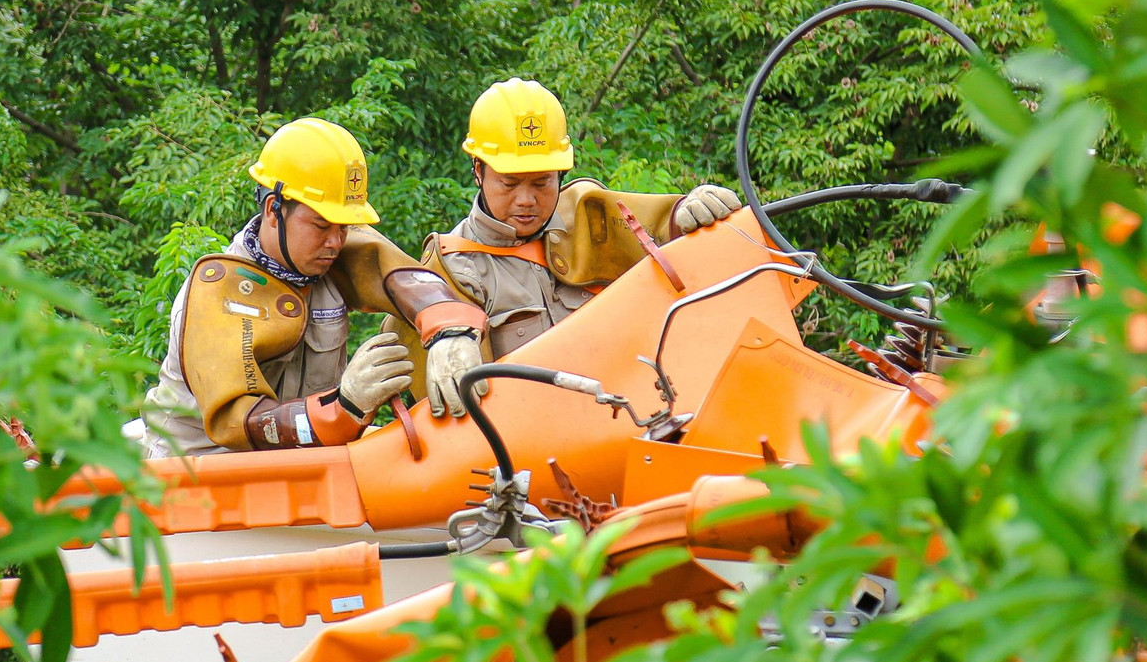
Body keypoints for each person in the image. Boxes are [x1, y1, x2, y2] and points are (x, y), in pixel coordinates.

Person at [141, 118, 486, 458]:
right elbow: (237, 422)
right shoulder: (217, 294)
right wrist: (341, 407)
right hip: (198, 469)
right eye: (321, 225)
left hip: (303, 459)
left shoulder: (324, 253)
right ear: (274, 210)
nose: (335, 241)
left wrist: (449, 330)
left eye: (345, 227)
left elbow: (404, 277)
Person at [419, 78, 743, 360]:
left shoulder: (587, 217)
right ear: (478, 171)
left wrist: (690, 211)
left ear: (561, 173)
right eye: (509, 183)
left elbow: (658, 227)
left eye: (542, 182)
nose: (526, 200)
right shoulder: (454, 269)